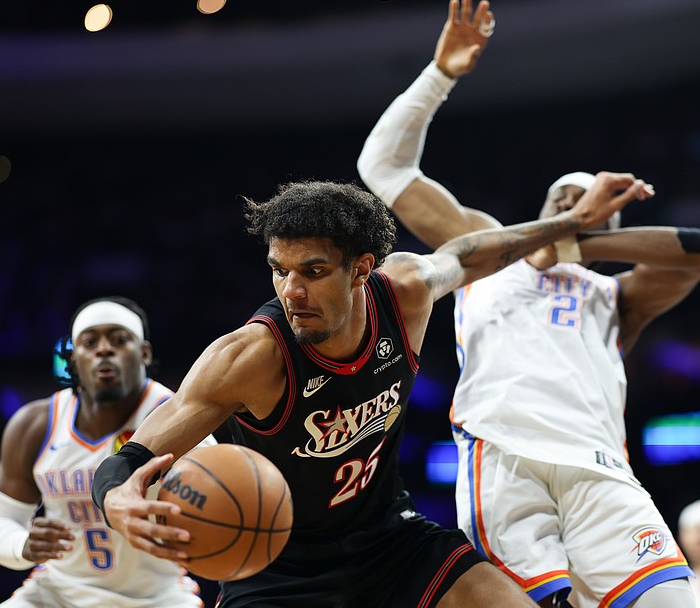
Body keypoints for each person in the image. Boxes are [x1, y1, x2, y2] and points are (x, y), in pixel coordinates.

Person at [91, 171, 648, 608]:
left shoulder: (403, 293)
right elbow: (135, 454)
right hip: (275, 568)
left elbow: (474, 252)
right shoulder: (248, 358)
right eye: (278, 271)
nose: (292, 291)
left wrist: (569, 221)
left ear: (360, 269)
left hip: (390, 540)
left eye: (311, 272)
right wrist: (115, 496)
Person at [356, 0, 700, 607]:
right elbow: (383, 165)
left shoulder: (616, 293)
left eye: (587, 206)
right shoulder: (483, 249)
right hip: (503, 458)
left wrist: (580, 242)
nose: (574, 208)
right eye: (564, 201)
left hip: (598, 465)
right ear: (543, 208)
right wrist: (440, 74)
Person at [0, 296, 216, 607]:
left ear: (144, 353)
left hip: (158, 597)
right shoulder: (35, 424)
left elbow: (219, 515)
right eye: (89, 342)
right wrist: (22, 544)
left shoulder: (180, 420)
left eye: (119, 340)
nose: (104, 349)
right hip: (57, 593)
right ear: (74, 361)